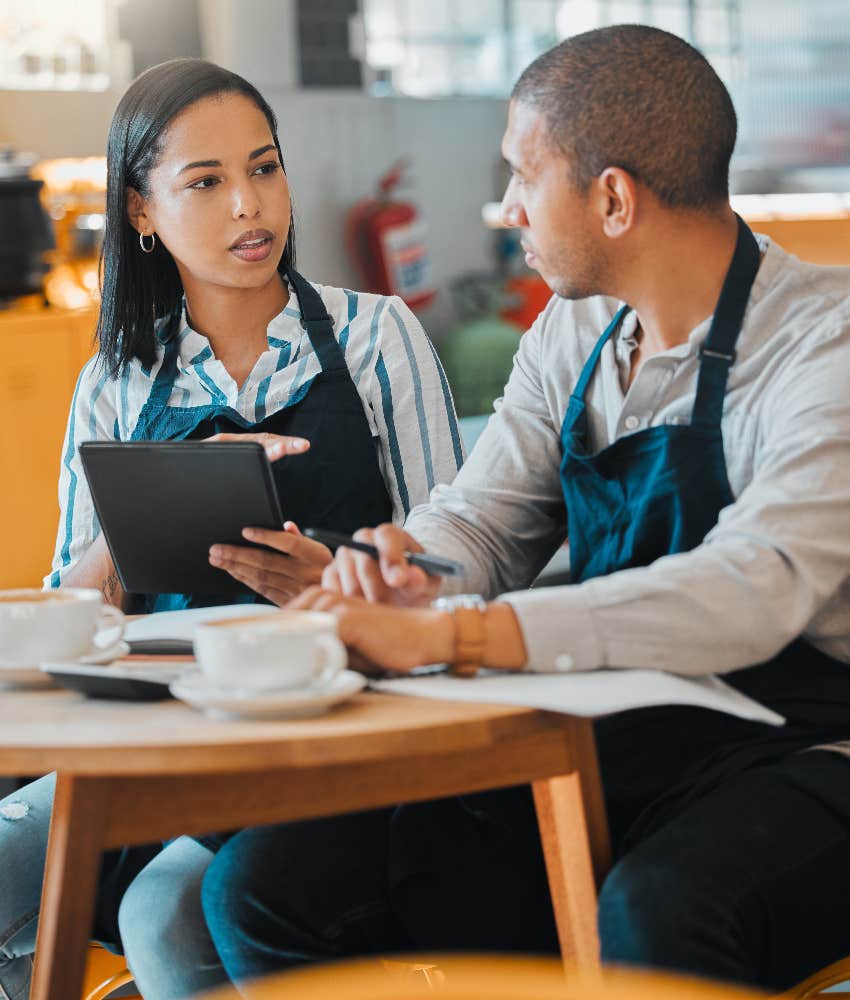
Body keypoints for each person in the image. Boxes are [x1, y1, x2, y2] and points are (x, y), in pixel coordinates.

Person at [199, 25, 850, 995]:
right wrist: (408, 565)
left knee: (657, 907)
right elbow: (485, 516)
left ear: (613, 199)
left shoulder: (824, 344)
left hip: (807, 749)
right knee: (269, 885)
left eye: (523, 175)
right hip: (622, 730)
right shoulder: (573, 331)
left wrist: (456, 636)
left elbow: (752, 587)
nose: (507, 209)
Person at [0, 59, 462, 1000]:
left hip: (333, 726)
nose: (249, 205)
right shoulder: (117, 381)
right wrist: (152, 504)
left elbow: (456, 569)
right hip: (160, 733)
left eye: (263, 168)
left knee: (161, 913)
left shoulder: (377, 337)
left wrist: (332, 579)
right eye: (205, 182)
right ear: (141, 209)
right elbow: (66, 620)